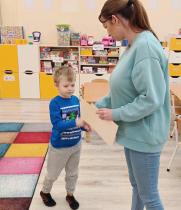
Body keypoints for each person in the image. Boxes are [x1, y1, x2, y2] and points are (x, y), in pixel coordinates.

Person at [96, 0, 170, 209]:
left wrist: (116, 114)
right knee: (137, 186)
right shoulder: (132, 45)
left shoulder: (144, 47)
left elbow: (152, 99)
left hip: (145, 134)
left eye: (106, 27)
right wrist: (92, 111)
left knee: (150, 197)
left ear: (115, 20)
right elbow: (121, 92)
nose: (107, 33)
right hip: (133, 132)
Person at [40, 67, 92, 210]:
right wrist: (77, 122)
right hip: (59, 147)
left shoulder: (75, 100)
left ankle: (70, 194)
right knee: (52, 174)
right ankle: (45, 192)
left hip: (76, 144)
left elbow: (76, 120)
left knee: (73, 173)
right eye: (66, 86)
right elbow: (58, 124)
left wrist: (84, 127)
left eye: (73, 85)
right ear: (56, 86)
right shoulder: (55, 103)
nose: (70, 89)